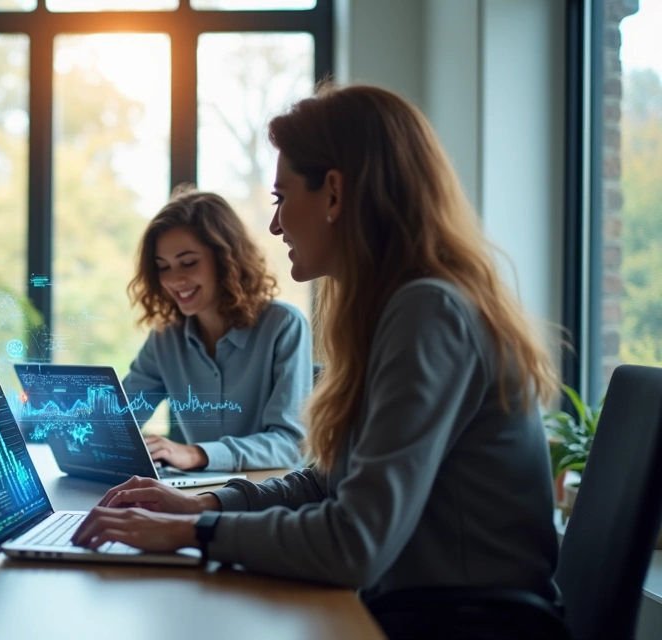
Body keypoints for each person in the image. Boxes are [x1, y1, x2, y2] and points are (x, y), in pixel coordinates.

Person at [72, 85, 561, 605]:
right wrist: (202, 506)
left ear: (333, 193)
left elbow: (354, 542)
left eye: (282, 198)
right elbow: (328, 482)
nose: (275, 223)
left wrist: (192, 535)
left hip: (468, 626)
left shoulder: (428, 312)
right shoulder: (398, 309)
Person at [122, 186, 312, 472]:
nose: (175, 280)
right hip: (193, 498)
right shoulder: (166, 339)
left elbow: (289, 444)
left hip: (267, 502)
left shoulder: (284, 326)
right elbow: (120, 421)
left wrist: (197, 454)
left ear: (226, 259)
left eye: (188, 262)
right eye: (163, 267)